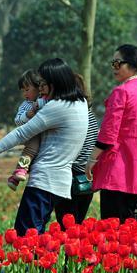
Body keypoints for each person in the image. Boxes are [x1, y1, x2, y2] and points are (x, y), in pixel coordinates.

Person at [0, 58, 88, 235]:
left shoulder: (56, 107)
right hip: (60, 179)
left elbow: (21, 133)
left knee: (27, 235)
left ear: (54, 82)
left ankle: (35, 264)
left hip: (44, 180)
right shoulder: (80, 103)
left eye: (43, 84)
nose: (40, 89)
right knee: (37, 237)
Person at [89, 44, 137, 223]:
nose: (114, 68)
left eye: (116, 63)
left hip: (118, 172)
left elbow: (107, 134)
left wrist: (91, 161)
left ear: (131, 65)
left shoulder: (122, 92)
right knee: (131, 229)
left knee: (113, 230)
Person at [53, 74, 100, 227]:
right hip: (86, 180)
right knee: (77, 226)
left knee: (67, 227)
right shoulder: (90, 115)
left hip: (70, 179)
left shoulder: (73, 117)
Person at [7, 70, 49, 190]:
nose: (24, 93)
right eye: (22, 91)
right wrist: (27, 115)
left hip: (46, 134)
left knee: (34, 159)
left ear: (38, 87)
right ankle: (20, 170)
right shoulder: (26, 105)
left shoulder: (46, 100)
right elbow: (18, 120)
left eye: (27, 89)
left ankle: (14, 178)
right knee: (31, 150)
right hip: (34, 134)